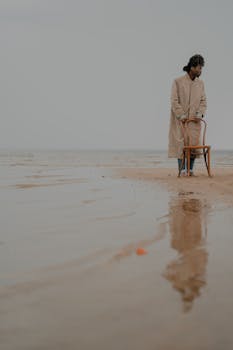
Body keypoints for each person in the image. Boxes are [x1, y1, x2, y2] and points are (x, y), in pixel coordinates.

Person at [168, 54, 207, 176]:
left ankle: (190, 170)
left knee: (194, 145)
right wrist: (181, 115)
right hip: (181, 120)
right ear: (192, 67)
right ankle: (182, 170)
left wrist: (200, 114)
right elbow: (174, 100)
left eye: (201, 68)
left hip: (194, 121)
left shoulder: (200, 84)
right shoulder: (178, 82)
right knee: (181, 145)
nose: (200, 71)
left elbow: (203, 101)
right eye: (199, 68)